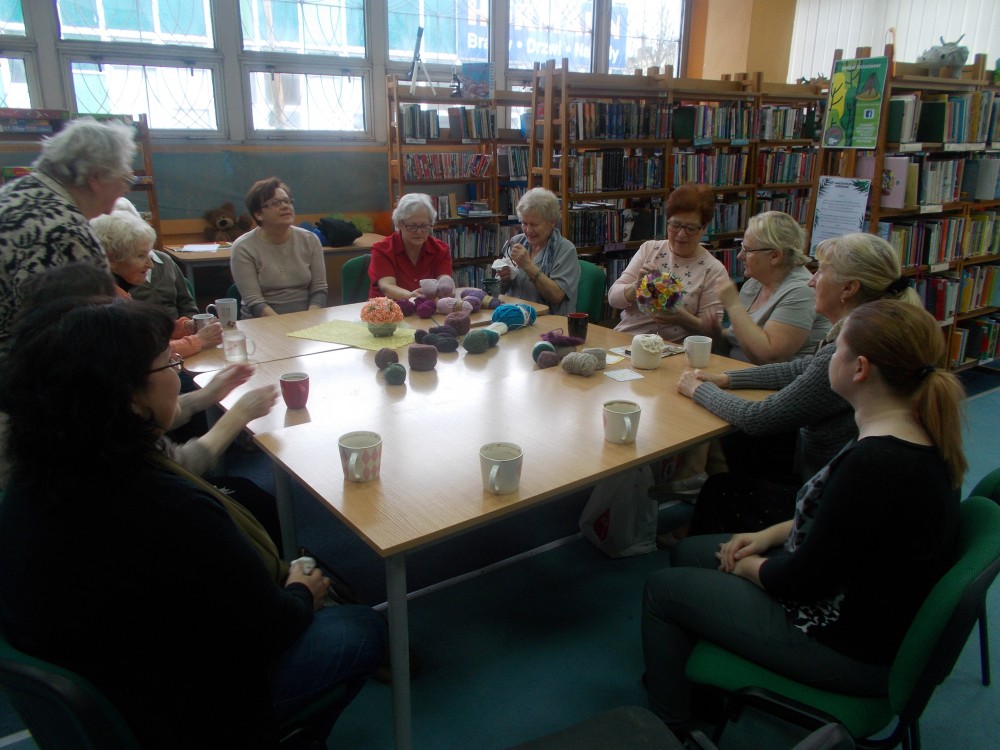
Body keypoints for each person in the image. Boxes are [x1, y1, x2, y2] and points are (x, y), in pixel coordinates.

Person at [0, 299, 386, 749]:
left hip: (103, 687)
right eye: (169, 363)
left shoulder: (39, 476)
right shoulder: (169, 508)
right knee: (360, 627)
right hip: (177, 709)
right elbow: (271, 626)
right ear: (129, 398)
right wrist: (302, 591)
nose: (177, 374)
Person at [641, 299, 965, 731]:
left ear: (860, 368)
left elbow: (801, 581)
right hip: (862, 607)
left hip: (845, 646)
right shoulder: (912, 430)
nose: (824, 358)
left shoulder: (876, 465)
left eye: (835, 350)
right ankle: (701, 685)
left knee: (662, 591)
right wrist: (769, 535)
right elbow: (846, 524)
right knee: (690, 554)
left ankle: (670, 726)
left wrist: (748, 566)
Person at [676, 233, 923, 505]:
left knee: (723, 481)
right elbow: (803, 367)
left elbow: (758, 417)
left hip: (821, 496)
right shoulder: (874, 333)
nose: (811, 280)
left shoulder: (851, 350)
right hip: (833, 483)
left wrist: (698, 390)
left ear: (849, 288)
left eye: (821, 271)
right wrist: (728, 378)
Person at [0, 117, 136, 361]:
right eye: (125, 179)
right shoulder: (66, 233)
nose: (125, 190)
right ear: (96, 177)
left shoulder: (15, 193)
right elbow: (83, 342)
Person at [90, 209, 223, 357]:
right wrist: (199, 340)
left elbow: (148, 328)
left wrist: (187, 327)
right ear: (111, 259)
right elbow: (149, 351)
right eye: (141, 256)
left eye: (149, 254)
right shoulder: (107, 302)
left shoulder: (116, 290)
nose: (151, 265)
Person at [608, 182, 727, 342]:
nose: (681, 234)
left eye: (691, 228)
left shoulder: (713, 269)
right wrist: (635, 287)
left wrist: (681, 317)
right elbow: (613, 299)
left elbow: (714, 332)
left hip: (671, 350)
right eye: (675, 225)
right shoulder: (650, 249)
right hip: (626, 342)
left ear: (704, 228)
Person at [717, 211, 829, 364]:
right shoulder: (754, 283)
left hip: (773, 379)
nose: (740, 256)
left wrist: (733, 305)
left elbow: (771, 357)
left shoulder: (802, 291)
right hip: (736, 371)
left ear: (775, 256)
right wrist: (707, 330)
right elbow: (739, 343)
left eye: (748, 250)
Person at [231, 177, 328, 317]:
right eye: (275, 203)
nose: (285, 206)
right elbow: (254, 302)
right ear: (258, 214)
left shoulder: (310, 240)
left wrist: (310, 320)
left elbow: (319, 290)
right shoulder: (243, 247)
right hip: (262, 322)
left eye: (287, 201)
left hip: (306, 318)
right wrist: (283, 325)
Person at [497, 187, 580, 316]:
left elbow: (556, 296)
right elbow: (498, 290)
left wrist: (528, 265)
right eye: (524, 223)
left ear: (552, 222)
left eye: (534, 225)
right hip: (513, 315)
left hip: (548, 322)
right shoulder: (516, 242)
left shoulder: (565, 250)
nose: (528, 230)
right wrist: (504, 278)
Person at [369, 192, 454, 300]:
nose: (419, 232)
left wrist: (447, 287)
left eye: (424, 225)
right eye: (412, 226)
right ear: (399, 224)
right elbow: (387, 287)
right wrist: (411, 296)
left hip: (427, 308)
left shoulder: (441, 249)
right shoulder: (382, 250)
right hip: (389, 308)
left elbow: (444, 279)